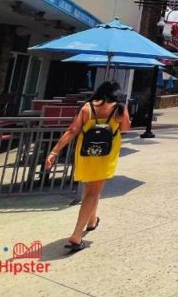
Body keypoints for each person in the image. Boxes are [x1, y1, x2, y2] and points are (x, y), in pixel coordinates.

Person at [44, 81, 131, 252]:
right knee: (93, 191)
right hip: (105, 154)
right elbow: (126, 128)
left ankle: (92, 220)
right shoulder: (119, 108)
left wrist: (54, 152)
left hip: (85, 153)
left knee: (91, 188)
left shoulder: (87, 107)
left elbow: (72, 130)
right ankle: (76, 235)